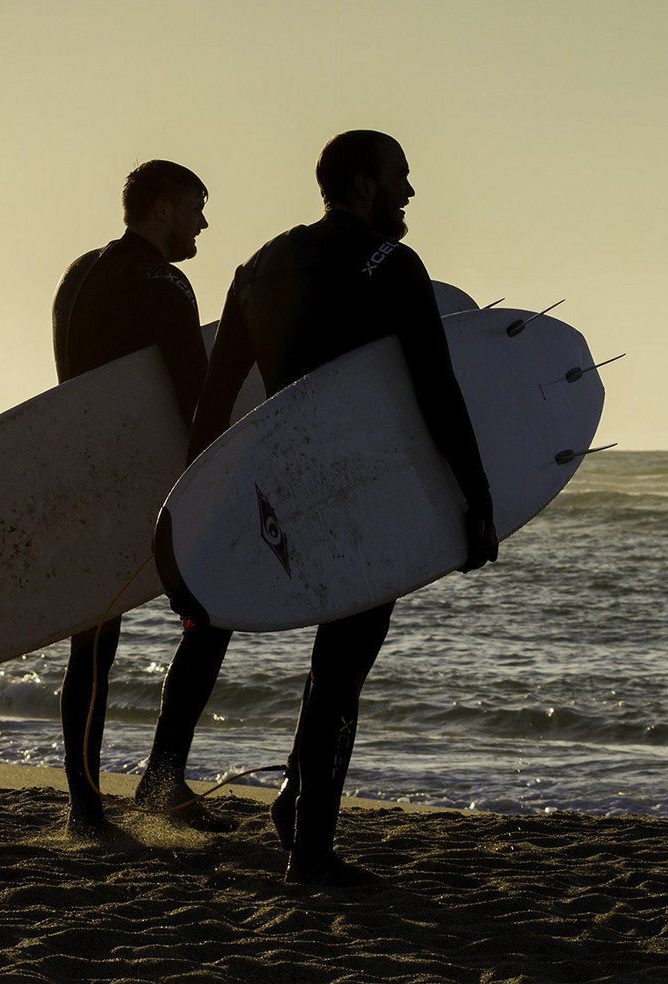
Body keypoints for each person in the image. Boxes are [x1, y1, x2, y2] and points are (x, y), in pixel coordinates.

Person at [182, 131, 497, 884]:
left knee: (336, 665)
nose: (410, 193)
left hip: (287, 487)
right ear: (361, 185)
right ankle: (309, 845)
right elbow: (435, 390)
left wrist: (195, 512)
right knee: (342, 665)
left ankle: (299, 803)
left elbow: (215, 402)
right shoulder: (392, 265)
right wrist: (477, 500)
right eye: (400, 178)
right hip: (363, 488)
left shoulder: (255, 267)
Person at [51, 159, 235, 841]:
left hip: (83, 480)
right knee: (209, 613)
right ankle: (161, 779)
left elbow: (75, 390)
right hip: (146, 487)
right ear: (161, 209)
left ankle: (85, 806)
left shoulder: (79, 277)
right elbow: (196, 396)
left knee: (92, 644)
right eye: (195, 208)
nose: (202, 224)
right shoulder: (162, 279)